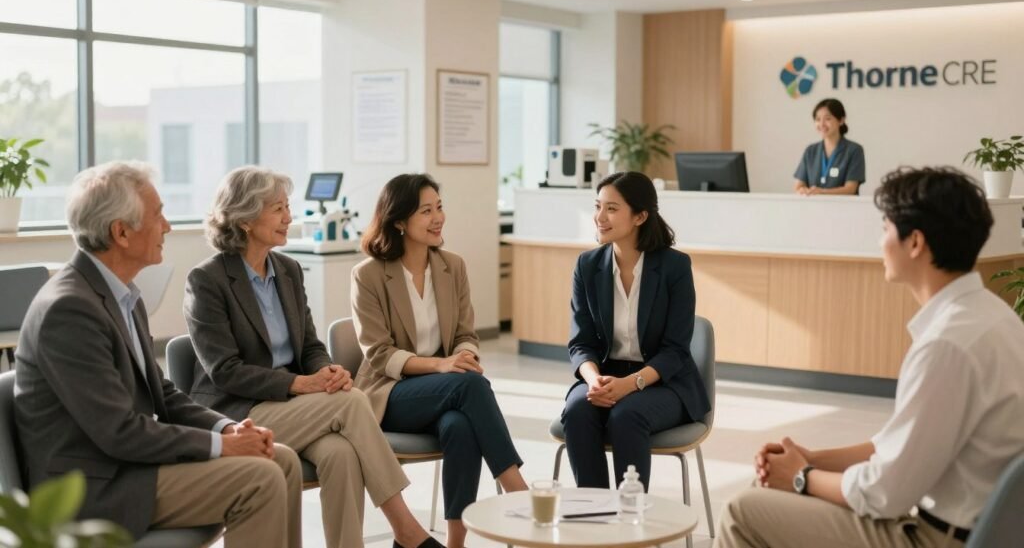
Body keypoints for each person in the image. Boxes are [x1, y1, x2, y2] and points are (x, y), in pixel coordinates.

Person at [717, 166, 1024, 548]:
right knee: (765, 492)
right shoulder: (997, 319)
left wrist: (802, 476)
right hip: (974, 529)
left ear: (915, 243)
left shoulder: (946, 346)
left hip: (934, 539)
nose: (879, 242)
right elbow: (899, 442)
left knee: (743, 511)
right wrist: (814, 459)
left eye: (885, 229)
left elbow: (885, 493)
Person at [14, 161, 302, 547]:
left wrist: (226, 428)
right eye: (158, 215)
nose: (167, 226)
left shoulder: (123, 296)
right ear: (121, 232)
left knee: (282, 460)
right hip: (94, 489)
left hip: (127, 467)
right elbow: (119, 431)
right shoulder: (69, 310)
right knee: (260, 477)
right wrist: (224, 447)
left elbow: (161, 394)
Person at [183, 166, 443, 548]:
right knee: (352, 403)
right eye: (278, 209)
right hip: (240, 411)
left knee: (341, 454)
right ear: (245, 218)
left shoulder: (287, 270)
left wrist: (327, 370)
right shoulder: (208, 280)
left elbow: (309, 346)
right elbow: (225, 371)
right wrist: (299, 383)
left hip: (295, 406)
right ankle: (407, 530)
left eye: (287, 206)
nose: (289, 217)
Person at [351, 173, 527, 548]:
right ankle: (516, 488)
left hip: (448, 392)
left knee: (460, 427)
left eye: (439, 208)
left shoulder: (453, 267)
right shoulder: (368, 275)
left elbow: (466, 334)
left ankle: (455, 542)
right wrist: (442, 366)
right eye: (426, 211)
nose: (438, 218)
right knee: (469, 386)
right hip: (391, 392)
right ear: (398, 221)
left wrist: (462, 356)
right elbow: (378, 353)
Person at [562, 171, 710, 491]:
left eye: (612, 209)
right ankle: (596, 513)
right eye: (598, 206)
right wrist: (593, 380)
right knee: (576, 411)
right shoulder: (587, 266)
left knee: (626, 416)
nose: (599, 217)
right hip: (604, 376)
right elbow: (580, 342)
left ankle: (631, 519)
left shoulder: (674, 267)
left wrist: (631, 383)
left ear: (640, 216)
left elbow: (675, 350)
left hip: (662, 381)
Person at [793, 98, 866, 195]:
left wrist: (821, 192)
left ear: (841, 120)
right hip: (813, 208)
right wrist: (802, 190)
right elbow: (799, 185)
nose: (822, 124)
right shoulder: (810, 151)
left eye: (827, 119)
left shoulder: (854, 150)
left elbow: (850, 189)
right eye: (818, 119)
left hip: (843, 208)